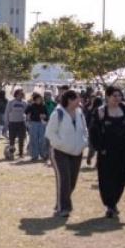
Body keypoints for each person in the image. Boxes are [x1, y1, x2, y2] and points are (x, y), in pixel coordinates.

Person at [89, 86, 125, 219]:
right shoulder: (100, 111)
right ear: (107, 96)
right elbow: (93, 131)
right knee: (106, 178)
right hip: (106, 152)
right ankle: (109, 204)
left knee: (120, 178)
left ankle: (114, 202)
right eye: (114, 96)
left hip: (124, 151)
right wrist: (100, 147)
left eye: (119, 96)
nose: (117, 98)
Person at [44, 90, 87, 218]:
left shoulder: (79, 113)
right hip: (60, 152)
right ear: (69, 100)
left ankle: (61, 203)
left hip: (77, 151)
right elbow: (50, 132)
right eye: (77, 98)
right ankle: (64, 208)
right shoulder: (58, 113)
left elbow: (84, 129)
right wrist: (61, 144)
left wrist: (84, 142)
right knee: (64, 179)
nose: (80, 101)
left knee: (72, 181)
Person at [4, 88, 28, 160]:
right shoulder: (11, 102)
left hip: (21, 123)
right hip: (12, 123)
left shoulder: (24, 103)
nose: (21, 95)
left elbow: (27, 113)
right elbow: (7, 113)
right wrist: (6, 123)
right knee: (12, 139)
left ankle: (21, 153)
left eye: (22, 94)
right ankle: (11, 154)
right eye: (20, 93)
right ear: (16, 94)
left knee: (21, 138)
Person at [25, 92, 49, 162]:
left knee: (42, 139)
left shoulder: (43, 106)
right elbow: (26, 113)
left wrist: (44, 116)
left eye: (40, 99)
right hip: (33, 123)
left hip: (42, 123)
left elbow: (47, 115)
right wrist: (28, 121)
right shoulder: (31, 106)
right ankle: (34, 155)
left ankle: (43, 154)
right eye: (38, 99)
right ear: (35, 100)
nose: (39, 100)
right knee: (34, 139)